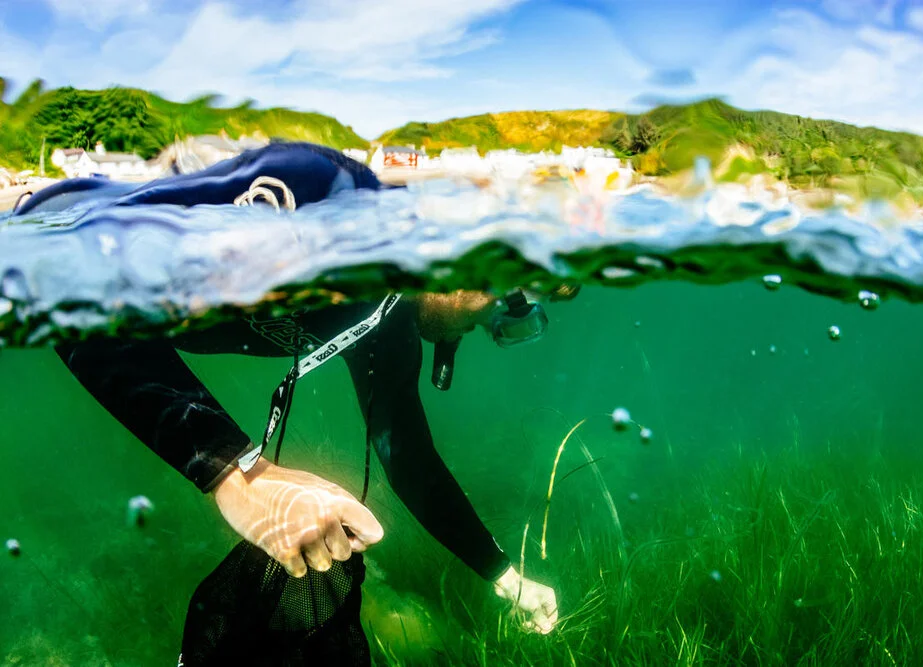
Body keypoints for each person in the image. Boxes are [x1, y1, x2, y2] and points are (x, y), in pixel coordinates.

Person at [20, 142, 563, 664]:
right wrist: (235, 474)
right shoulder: (320, 198)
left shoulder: (390, 324)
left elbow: (408, 457)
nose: (494, 330)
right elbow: (61, 284)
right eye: (512, 309)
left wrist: (505, 578)